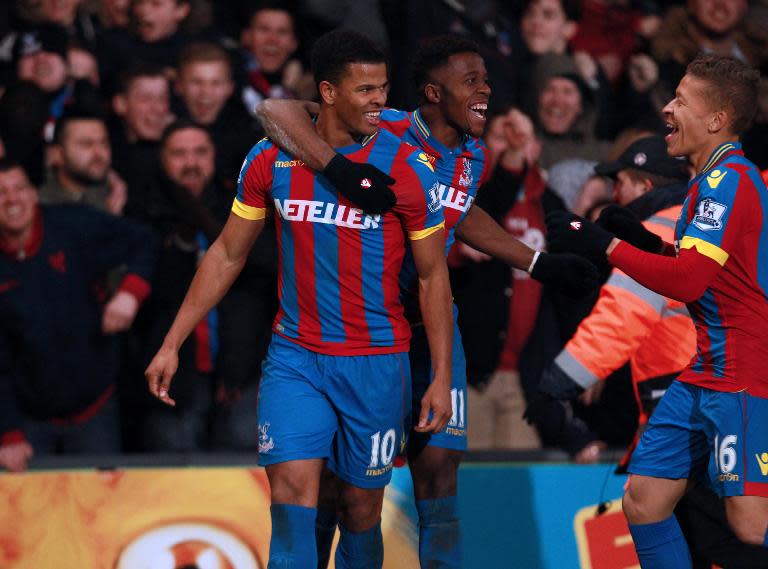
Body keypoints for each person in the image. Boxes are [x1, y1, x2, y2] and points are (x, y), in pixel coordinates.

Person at [256, 35, 599, 569]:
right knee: (337, 487)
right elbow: (276, 110)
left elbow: (457, 216)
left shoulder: (470, 154)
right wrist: (340, 169)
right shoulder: (383, 124)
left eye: (487, 79)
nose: (487, 91)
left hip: (432, 328)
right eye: (472, 82)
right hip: (363, 336)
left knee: (439, 470)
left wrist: (536, 262)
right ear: (433, 93)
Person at [145, 29, 454, 569]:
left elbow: (433, 278)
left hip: (377, 362)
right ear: (329, 92)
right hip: (297, 358)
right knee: (291, 496)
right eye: (365, 90)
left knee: (359, 507)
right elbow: (226, 255)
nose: (380, 100)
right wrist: (173, 340)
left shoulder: (407, 167)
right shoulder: (273, 159)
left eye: (383, 88)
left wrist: (442, 376)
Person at [544, 55, 768, 567]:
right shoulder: (708, 181)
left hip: (743, 374)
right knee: (643, 502)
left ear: (716, 120)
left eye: (681, 101)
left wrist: (605, 246)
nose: (667, 107)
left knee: (750, 526)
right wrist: (642, 240)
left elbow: (689, 281)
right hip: (705, 373)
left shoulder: (727, 181)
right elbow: (702, 273)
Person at [0, 159, 155, 472]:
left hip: (95, 407)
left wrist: (129, 294)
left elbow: (144, 240)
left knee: (104, 512)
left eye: (19, 188)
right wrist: (8, 432)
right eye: (1, 192)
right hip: (29, 418)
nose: (12, 199)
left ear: (34, 194)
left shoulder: (74, 226)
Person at [39, 113, 127, 215]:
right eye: (87, 144)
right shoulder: (40, 206)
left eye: (104, 143)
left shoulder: (118, 195)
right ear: (57, 154)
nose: (100, 153)